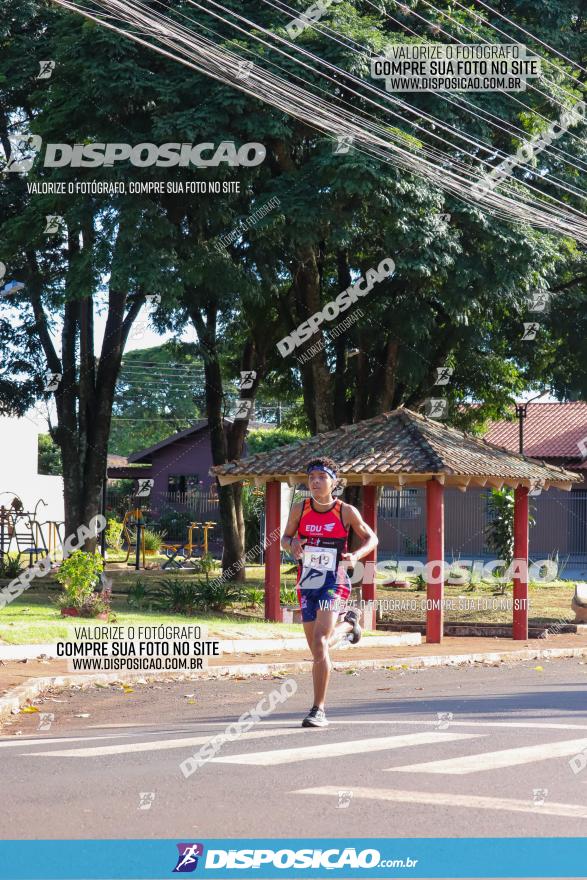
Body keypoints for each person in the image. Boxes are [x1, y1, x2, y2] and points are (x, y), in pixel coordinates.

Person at [281, 457, 378, 728]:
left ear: (334, 482)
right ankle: (348, 625)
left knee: (321, 641)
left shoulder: (345, 511)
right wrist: (293, 546)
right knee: (316, 648)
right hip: (308, 580)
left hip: (334, 580)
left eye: (321, 477)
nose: (315, 482)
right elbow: (285, 538)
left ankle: (318, 709)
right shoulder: (301, 509)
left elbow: (372, 538)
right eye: (311, 477)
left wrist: (356, 554)